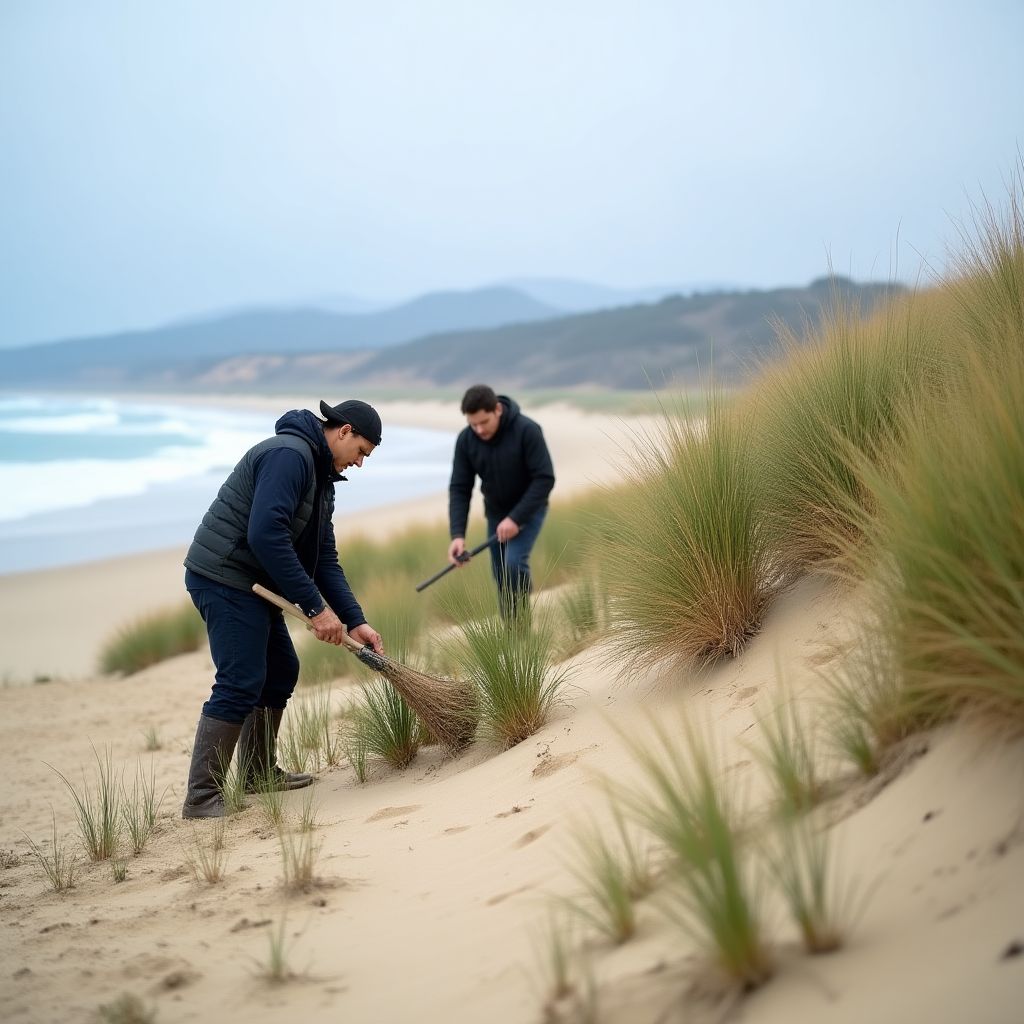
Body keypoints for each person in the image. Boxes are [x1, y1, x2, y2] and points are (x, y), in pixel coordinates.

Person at [180, 399, 384, 819]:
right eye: (362, 451)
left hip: (253, 583)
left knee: (281, 669)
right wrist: (315, 609)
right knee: (241, 679)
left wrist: (355, 620)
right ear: (343, 431)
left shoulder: (321, 476)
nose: (360, 463)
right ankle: (201, 797)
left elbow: (324, 556)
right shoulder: (289, 456)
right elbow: (265, 535)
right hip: (223, 577)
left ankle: (256, 774)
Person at [447, 385, 555, 616]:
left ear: (497, 409)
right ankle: (513, 633)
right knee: (501, 576)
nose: (478, 429)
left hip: (529, 509)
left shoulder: (527, 430)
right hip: (496, 514)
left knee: (514, 564)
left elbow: (544, 479)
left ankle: (523, 622)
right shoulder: (466, 440)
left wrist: (516, 519)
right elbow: (460, 489)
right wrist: (458, 535)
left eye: (483, 422)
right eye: (472, 424)